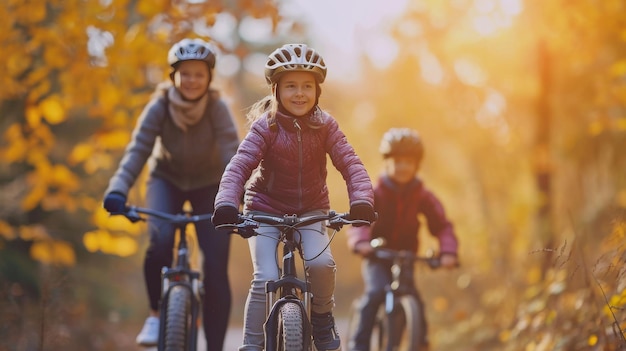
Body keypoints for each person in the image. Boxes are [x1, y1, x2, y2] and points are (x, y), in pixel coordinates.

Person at [211, 43, 376, 351]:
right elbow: (239, 166)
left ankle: (323, 317)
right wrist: (226, 203)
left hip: (312, 211)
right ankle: (251, 344)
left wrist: (362, 200)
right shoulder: (265, 127)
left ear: (317, 91)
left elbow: (351, 163)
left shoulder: (326, 126)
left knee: (322, 264)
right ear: (275, 90)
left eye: (306, 86)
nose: (299, 93)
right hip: (264, 209)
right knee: (264, 277)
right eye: (290, 86)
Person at [102, 38, 240, 350]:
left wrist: (237, 194)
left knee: (215, 268)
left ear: (209, 78)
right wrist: (117, 190)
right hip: (167, 179)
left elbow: (234, 154)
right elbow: (138, 151)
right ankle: (155, 313)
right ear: (173, 76)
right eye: (185, 73)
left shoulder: (218, 108)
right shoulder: (160, 107)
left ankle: (215, 345)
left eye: (199, 74)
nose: (192, 80)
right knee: (160, 241)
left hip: (211, 184)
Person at [346, 128, 459, 351]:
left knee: (414, 301)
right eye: (398, 161)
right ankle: (357, 346)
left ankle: (420, 343)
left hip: (406, 257)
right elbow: (360, 221)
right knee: (376, 292)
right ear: (388, 162)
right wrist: (361, 242)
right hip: (377, 255)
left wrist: (448, 252)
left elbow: (442, 225)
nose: (403, 167)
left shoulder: (423, 196)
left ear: (417, 165)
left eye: (409, 162)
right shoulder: (376, 193)